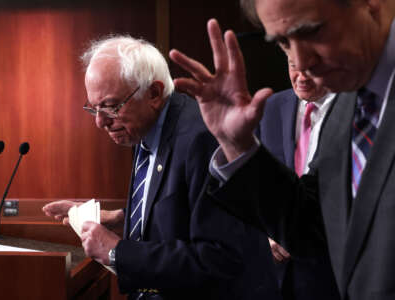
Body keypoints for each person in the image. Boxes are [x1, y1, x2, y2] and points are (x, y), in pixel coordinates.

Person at [169, 0, 395, 299]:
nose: (300, 64)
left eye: (312, 31)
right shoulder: (348, 101)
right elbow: (313, 227)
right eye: (283, 42)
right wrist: (238, 145)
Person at [43, 35, 281, 300]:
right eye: (94, 108)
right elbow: (187, 210)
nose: (100, 122)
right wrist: (123, 220)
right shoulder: (145, 127)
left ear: (154, 93)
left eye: (110, 107)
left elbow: (220, 259)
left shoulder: (200, 139)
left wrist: (117, 251)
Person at [261, 61, 340, 300]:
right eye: (294, 66)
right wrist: (264, 233)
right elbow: (257, 187)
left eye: (311, 67)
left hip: (330, 273)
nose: (301, 77)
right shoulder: (270, 108)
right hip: (275, 274)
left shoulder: (353, 109)